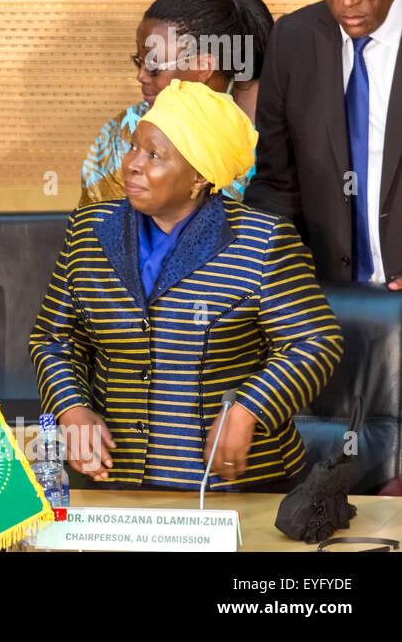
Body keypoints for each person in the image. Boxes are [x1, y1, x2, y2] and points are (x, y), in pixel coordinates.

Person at [33, 79, 342, 491]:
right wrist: (70, 408)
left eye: (154, 155)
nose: (131, 164)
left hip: (232, 486)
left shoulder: (262, 241)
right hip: (115, 478)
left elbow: (316, 341)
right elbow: (54, 339)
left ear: (198, 177)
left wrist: (248, 408)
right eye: (133, 147)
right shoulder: (89, 229)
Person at [247, 0, 402, 290]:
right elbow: (275, 184)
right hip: (322, 298)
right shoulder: (293, 40)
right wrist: (281, 274)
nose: (347, 1)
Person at [80, 0, 273, 206]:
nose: (140, 76)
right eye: (138, 61)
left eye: (154, 65)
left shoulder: (274, 130)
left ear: (203, 68)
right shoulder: (123, 133)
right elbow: (96, 227)